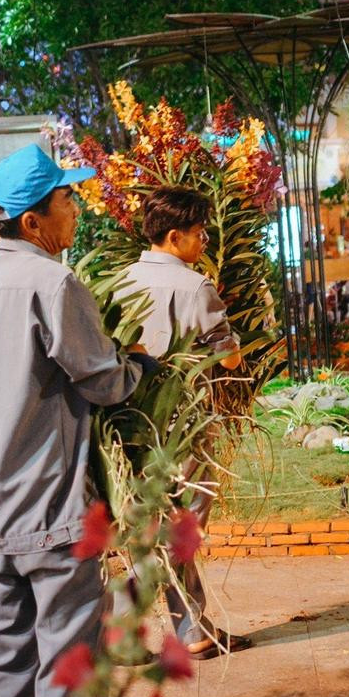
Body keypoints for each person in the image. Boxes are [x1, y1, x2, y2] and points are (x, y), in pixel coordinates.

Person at [0, 144, 147, 697]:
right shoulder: (55, 285)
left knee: (3, 661)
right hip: (52, 513)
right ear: (32, 220)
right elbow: (103, 382)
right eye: (67, 200)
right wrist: (139, 366)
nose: (77, 210)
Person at [112, 185, 253, 660]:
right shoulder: (195, 286)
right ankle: (116, 619)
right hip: (185, 426)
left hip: (128, 424)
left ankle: (191, 626)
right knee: (180, 529)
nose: (206, 240)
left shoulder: (120, 280)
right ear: (174, 236)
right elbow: (229, 358)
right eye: (199, 233)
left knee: (156, 524)